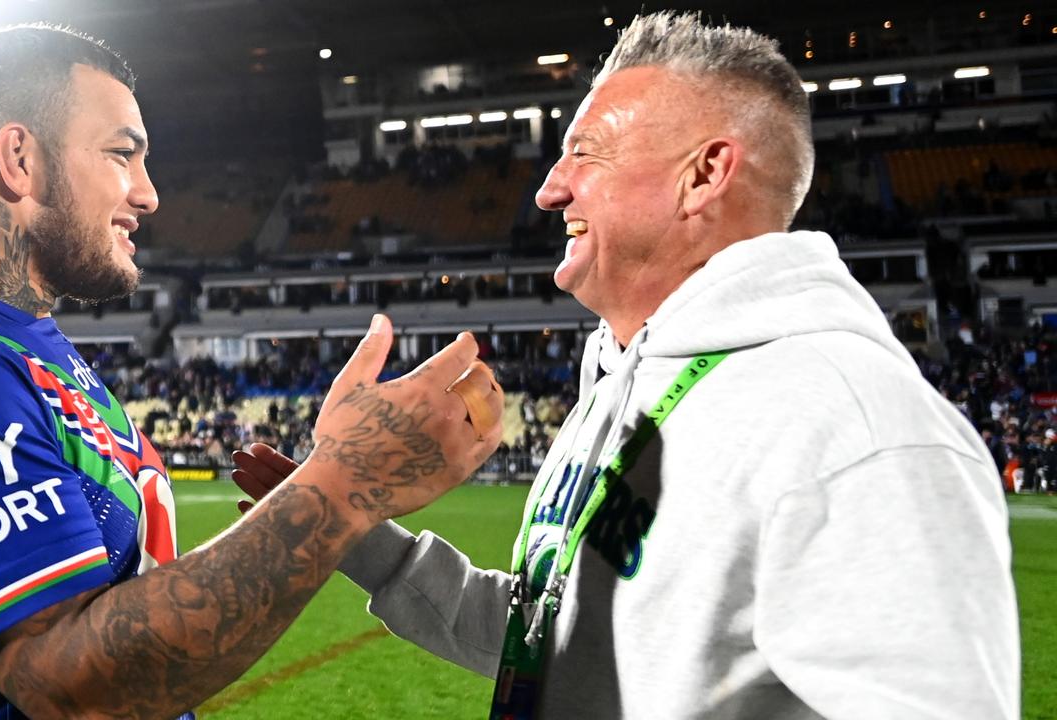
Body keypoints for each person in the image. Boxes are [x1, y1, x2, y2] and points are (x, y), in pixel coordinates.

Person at [234, 12, 1020, 718]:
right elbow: (557, 644)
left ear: (704, 175)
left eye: (586, 153)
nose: (547, 189)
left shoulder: (855, 427)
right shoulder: (620, 387)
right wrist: (359, 535)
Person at [0, 23, 502, 719]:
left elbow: (124, 606)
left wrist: (322, 489)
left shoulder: (29, 342)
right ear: (19, 159)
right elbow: (73, 686)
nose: (148, 195)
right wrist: (346, 482)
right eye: (122, 155)